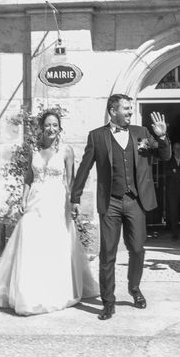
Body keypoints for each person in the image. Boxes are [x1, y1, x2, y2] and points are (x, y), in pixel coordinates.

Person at [0, 109, 99, 315]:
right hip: (35, 200)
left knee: (55, 244)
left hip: (57, 202)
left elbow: (71, 181)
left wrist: (74, 203)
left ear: (59, 128)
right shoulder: (33, 151)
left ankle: (55, 290)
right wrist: (23, 197)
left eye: (55, 125)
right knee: (30, 241)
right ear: (41, 128)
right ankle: (28, 292)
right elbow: (28, 176)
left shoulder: (67, 151)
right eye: (47, 125)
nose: (51, 129)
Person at [70, 95, 171, 320]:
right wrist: (75, 197)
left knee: (137, 249)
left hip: (135, 201)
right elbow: (85, 168)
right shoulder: (97, 136)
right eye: (126, 108)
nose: (129, 112)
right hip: (111, 202)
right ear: (112, 111)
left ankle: (134, 288)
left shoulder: (142, 133)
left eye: (130, 109)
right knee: (108, 254)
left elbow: (164, 156)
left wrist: (162, 136)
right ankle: (108, 302)